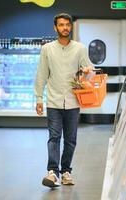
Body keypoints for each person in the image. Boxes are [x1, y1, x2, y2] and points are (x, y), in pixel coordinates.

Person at [34, 13, 93, 188]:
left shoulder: (80, 49)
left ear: (71, 27)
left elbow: (87, 72)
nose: (65, 27)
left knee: (70, 139)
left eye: (67, 24)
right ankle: (52, 172)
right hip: (53, 101)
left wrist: (88, 70)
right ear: (55, 27)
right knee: (54, 137)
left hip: (74, 101)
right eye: (61, 25)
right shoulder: (47, 49)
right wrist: (38, 97)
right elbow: (42, 74)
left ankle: (66, 171)